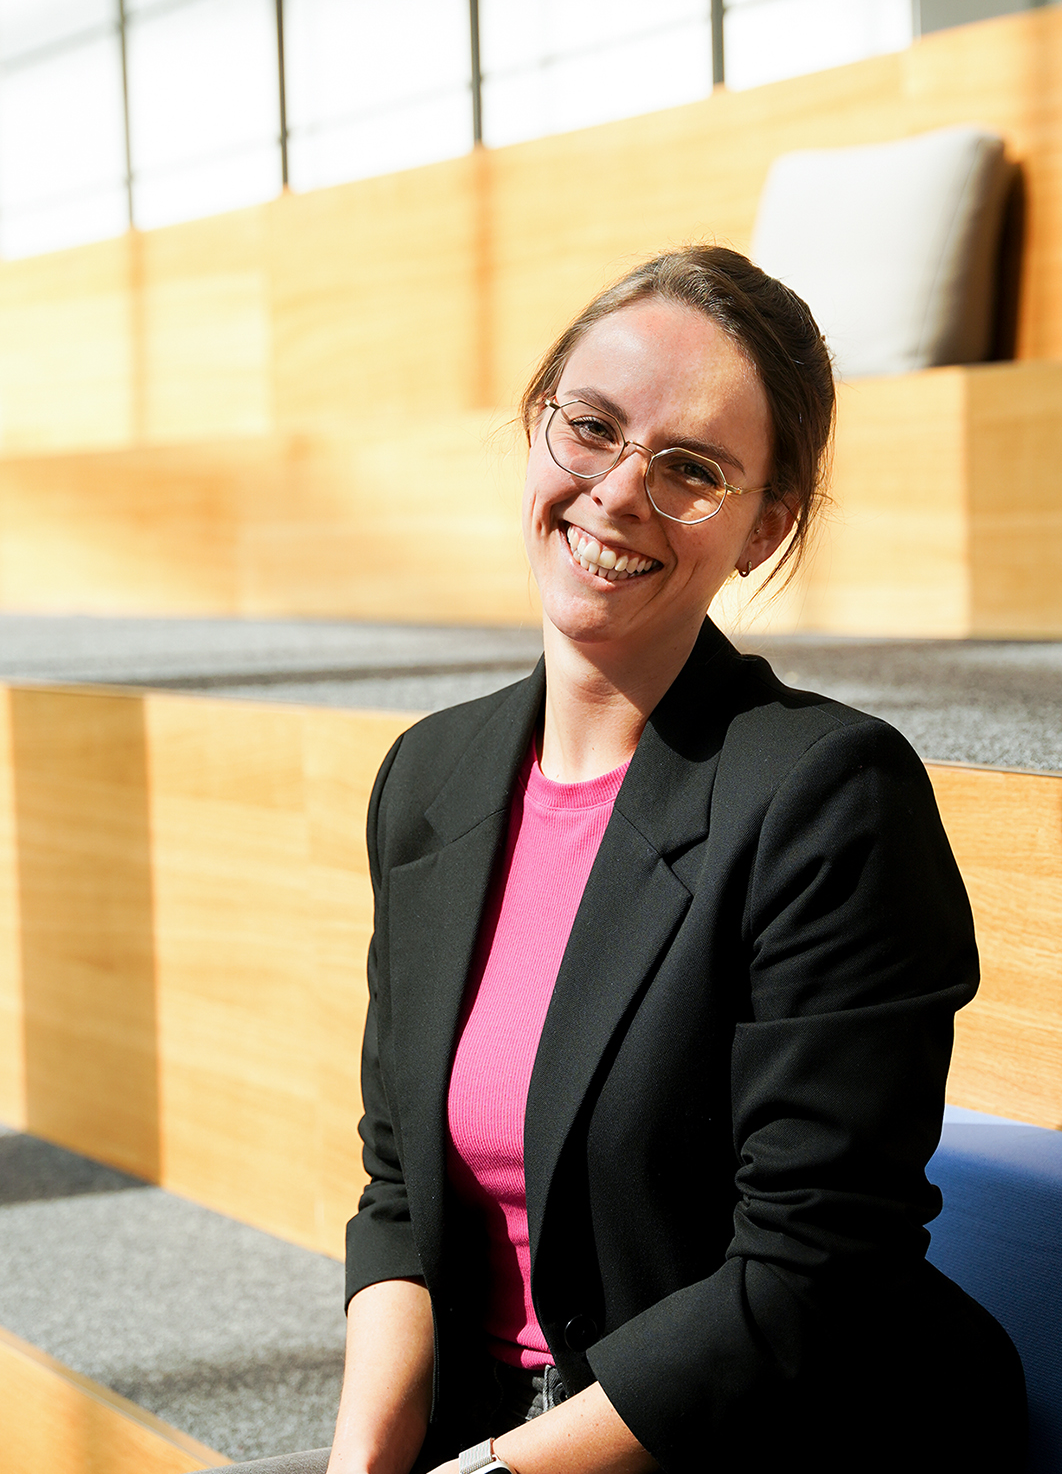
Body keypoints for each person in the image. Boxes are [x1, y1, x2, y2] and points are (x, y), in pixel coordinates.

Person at [301, 246, 1024, 1474]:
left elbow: (810, 1274)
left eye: (692, 469)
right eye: (591, 428)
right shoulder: (430, 778)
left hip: (753, 1436)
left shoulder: (827, 798)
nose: (621, 491)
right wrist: (365, 1464)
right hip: (488, 1426)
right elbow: (400, 1199)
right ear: (539, 429)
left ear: (764, 527)